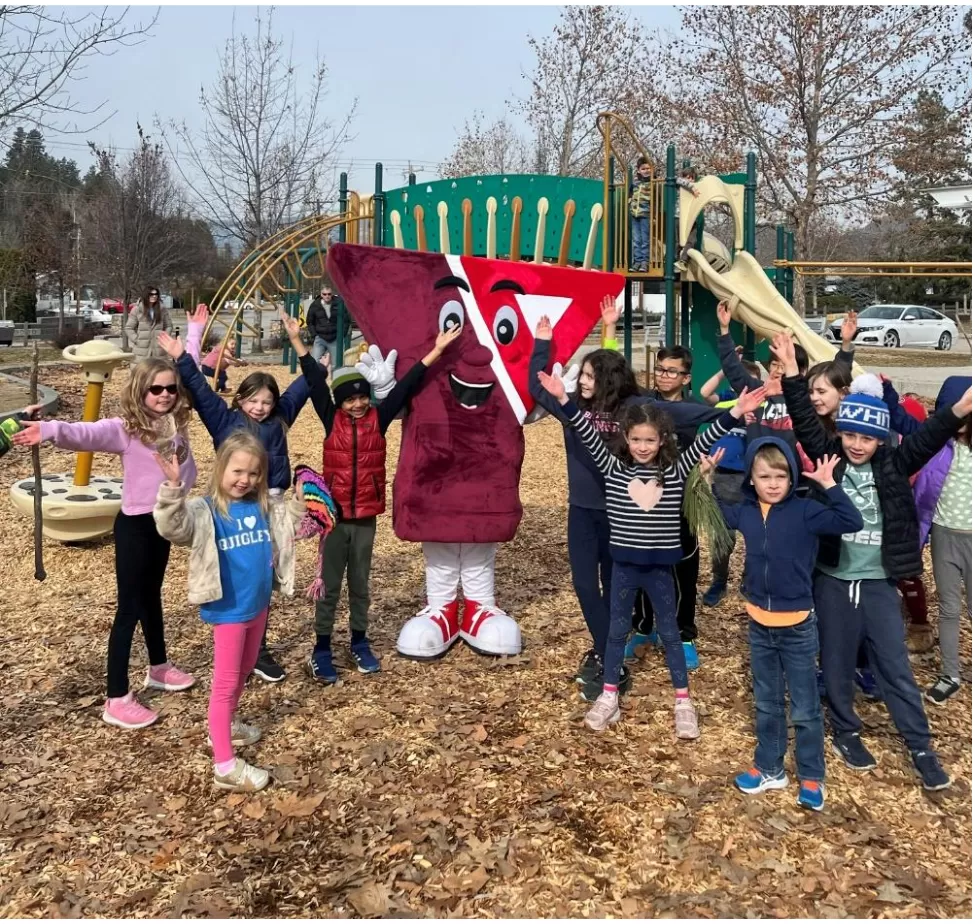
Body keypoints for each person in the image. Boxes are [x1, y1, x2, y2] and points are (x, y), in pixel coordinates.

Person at [777, 332, 971, 791]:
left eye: (866, 437)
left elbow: (928, 435)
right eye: (849, 434)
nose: (857, 444)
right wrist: (790, 370)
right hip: (834, 579)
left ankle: (920, 744)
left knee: (894, 665)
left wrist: (961, 409)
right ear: (839, 432)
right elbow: (805, 420)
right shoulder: (831, 461)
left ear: (881, 438)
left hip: (880, 581)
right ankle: (845, 730)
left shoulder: (893, 462)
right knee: (839, 661)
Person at [538, 353, 766, 735]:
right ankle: (608, 694)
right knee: (615, 632)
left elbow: (707, 437)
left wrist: (736, 410)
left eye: (650, 441)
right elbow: (585, 431)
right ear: (625, 440)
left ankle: (683, 701)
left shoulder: (675, 471)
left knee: (671, 632)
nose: (643, 447)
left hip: (659, 569)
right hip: (625, 567)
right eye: (636, 440)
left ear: (662, 441)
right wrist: (563, 398)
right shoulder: (613, 467)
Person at [13, 358, 197, 729]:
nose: (164, 395)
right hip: (136, 527)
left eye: (170, 388)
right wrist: (47, 428)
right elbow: (85, 433)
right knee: (129, 609)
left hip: (164, 521)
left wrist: (191, 340)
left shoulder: (173, 423)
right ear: (140, 391)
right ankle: (116, 697)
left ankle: (158, 666)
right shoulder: (126, 430)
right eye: (155, 389)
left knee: (152, 597)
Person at [290, 311, 462, 683]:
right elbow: (313, 381)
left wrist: (436, 349)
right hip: (334, 519)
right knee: (329, 584)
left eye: (362, 398)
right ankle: (321, 647)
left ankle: (359, 640)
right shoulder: (329, 417)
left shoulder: (378, 420)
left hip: (365, 517)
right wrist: (297, 341)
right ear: (338, 403)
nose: (357, 404)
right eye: (349, 400)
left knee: (361, 584)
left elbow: (407, 385)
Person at [159, 306, 320, 684]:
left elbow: (309, 382)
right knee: (238, 573)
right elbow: (199, 389)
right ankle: (234, 645)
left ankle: (257, 649)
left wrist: (303, 348)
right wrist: (183, 357)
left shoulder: (282, 417)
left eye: (266, 401)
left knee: (264, 576)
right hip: (232, 508)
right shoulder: (225, 421)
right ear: (240, 399)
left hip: (273, 504)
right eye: (253, 400)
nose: (260, 408)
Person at [702, 439, 863, 811]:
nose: (773, 483)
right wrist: (705, 480)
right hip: (759, 625)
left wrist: (830, 485)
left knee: (805, 706)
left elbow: (850, 520)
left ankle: (810, 774)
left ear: (791, 478)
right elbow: (712, 515)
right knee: (768, 701)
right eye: (764, 476)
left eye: (781, 476)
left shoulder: (806, 511)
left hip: (797, 627)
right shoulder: (745, 511)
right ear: (751, 480)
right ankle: (770, 766)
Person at [152, 431, 308, 793]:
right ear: (221, 468)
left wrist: (299, 504)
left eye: (254, 474)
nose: (245, 480)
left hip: (258, 606)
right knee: (224, 684)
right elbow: (172, 528)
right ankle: (224, 764)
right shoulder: (205, 511)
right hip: (229, 611)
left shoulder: (263, 507)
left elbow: (292, 531)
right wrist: (173, 491)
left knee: (242, 672)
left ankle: (225, 726)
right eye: (237, 471)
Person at [627, 345, 714, 669]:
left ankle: (682, 632)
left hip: (681, 501)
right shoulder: (643, 406)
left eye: (671, 371)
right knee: (642, 563)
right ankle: (644, 627)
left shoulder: (694, 409)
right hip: (643, 501)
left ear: (686, 377)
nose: (664, 375)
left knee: (683, 568)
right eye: (660, 369)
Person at [908, 376, 972, 705]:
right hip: (945, 535)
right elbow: (921, 497)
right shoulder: (936, 447)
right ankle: (950, 674)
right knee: (949, 608)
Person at [696, 356, 763, 607]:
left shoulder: (760, 409)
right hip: (722, 476)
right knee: (722, 537)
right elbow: (704, 392)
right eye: (738, 381)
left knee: (754, 535)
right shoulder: (726, 399)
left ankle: (748, 581)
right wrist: (723, 370)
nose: (743, 387)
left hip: (749, 480)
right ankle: (719, 581)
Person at [126, 286, 174, 360]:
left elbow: (169, 326)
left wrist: (164, 338)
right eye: (151, 294)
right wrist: (136, 339)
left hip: (159, 349)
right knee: (142, 370)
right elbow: (129, 328)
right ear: (146, 295)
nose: (154, 296)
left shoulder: (162, 309)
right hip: (141, 350)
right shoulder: (137, 310)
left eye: (156, 294)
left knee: (159, 370)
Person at [306, 286, 341, 372]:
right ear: (321, 294)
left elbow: (346, 320)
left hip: (334, 337)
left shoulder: (339, 303)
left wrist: (341, 335)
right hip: (320, 337)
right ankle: (318, 382)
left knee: (336, 365)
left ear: (332, 294)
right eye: (324, 294)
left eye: (329, 294)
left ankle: (335, 383)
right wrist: (314, 335)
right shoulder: (315, 305)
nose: (327, 296)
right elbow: (310, 321)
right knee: (314, 361)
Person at [629, 156, 654, 273]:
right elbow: (630, 193)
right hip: (634, 214)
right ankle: (637, 261)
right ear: (638, 170)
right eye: (643, 169)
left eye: (648, 168)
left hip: (645, 213)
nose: (646, 170)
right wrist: (629, 201)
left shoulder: (653, 182)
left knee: (645, 239)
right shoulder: (635, 182)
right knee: (636, 239)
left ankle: (644, 262)